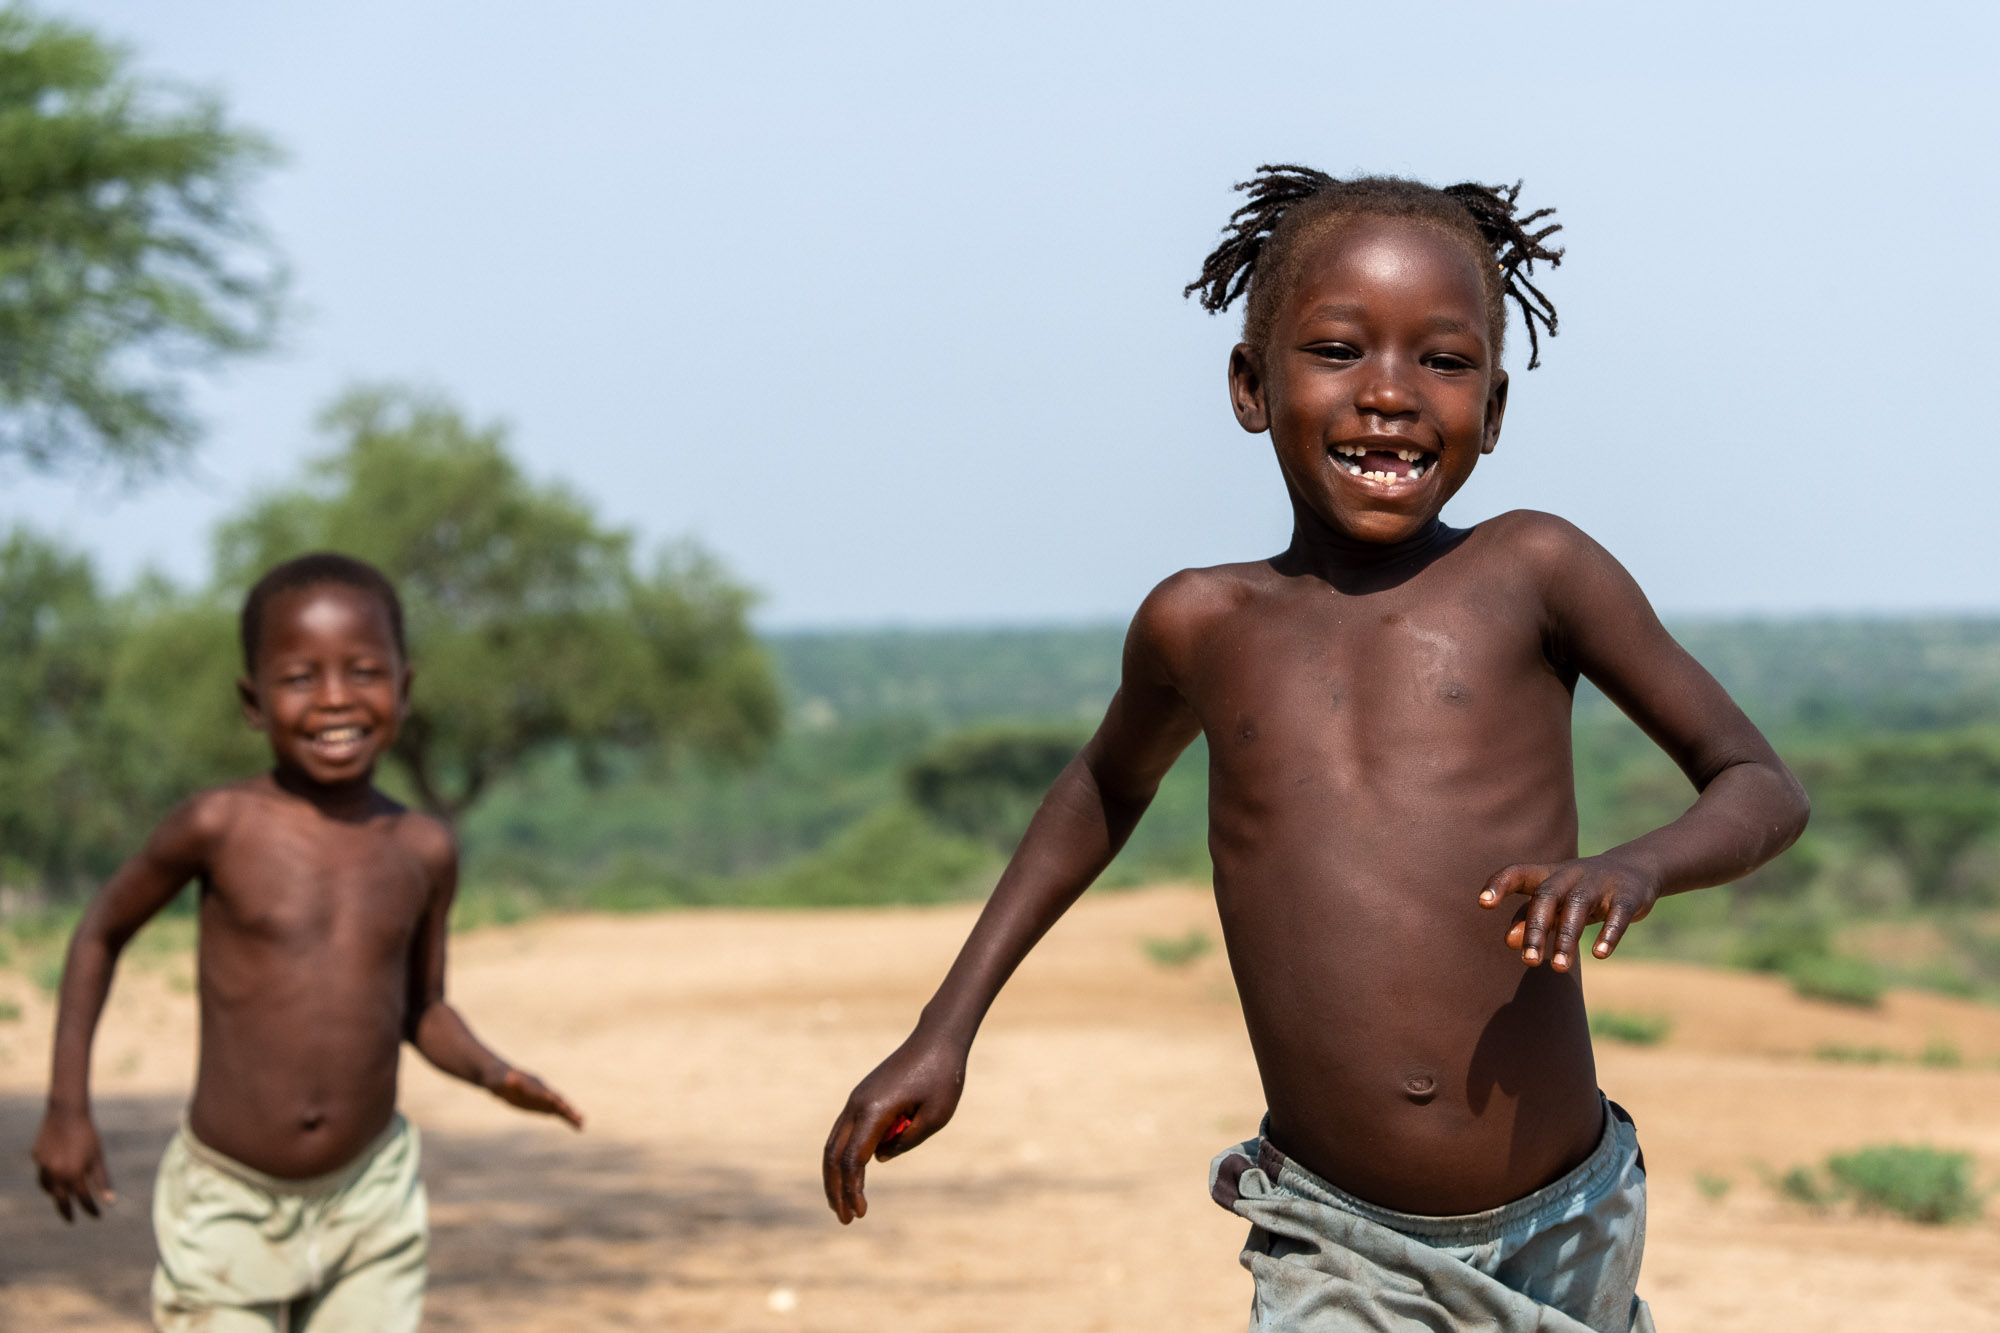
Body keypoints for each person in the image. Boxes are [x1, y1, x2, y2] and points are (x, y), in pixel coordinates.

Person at [822, 168, 1810, 1332]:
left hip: (1570, 1217)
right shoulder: (1201, 624)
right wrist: (944, 1029)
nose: (1388, 394)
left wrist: (1636, 864)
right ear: (1250, 384)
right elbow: (1100, 787)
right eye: (1338, 351)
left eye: (1441, 362)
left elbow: (1758, 785)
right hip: (1335, 1234)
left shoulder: (1534, 571)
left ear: (1492, 410)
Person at [32, 552, 584, 1332]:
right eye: (299, 678)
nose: (334, 698)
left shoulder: (423, 848)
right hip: (228, 1197)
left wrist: (496, 1073)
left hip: (370, 1195)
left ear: (405, 687)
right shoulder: (218, 825)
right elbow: (101, 931)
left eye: (363, 671)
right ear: (252, 701)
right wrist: (66, 1106)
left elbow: (421, 1007)